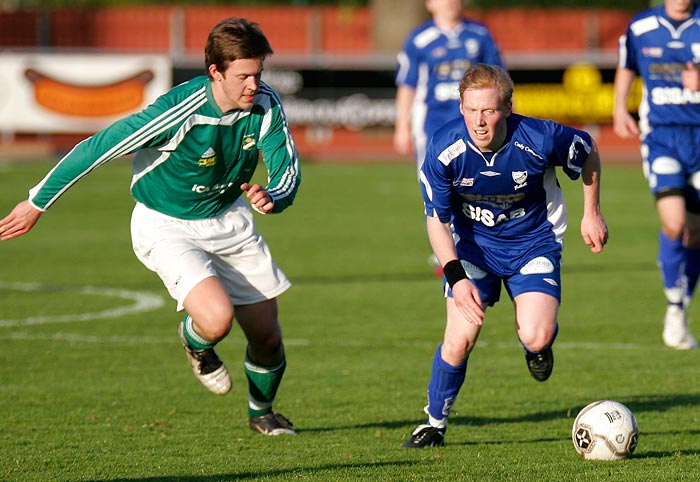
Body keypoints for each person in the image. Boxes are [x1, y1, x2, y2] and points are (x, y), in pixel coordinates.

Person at [0, 17, 301, 435]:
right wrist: (37, 202)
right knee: (216, 320)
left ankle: (261, 412)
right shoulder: (180, 111)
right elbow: (99, 147)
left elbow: (287, 168)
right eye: (244, 76)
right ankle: (196, 342)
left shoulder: (265, 104)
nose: (254, 84)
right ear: (215, 72)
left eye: (258, 73)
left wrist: (275, 195)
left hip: (229, 219)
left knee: (267, 334)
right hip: (166, 223)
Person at [403, 64, 608, 448]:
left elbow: (589, 151)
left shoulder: (540, 137)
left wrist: (591, 212)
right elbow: (436, 221)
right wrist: (455, 277)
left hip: (534, 244)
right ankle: (433, 424)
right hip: (472, 250)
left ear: (508, 108)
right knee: (459, 338)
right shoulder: (444, 148)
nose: (480, 121)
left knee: (536, 335)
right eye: (471, 110)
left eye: (490, 110)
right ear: (461, 107)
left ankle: (538, 348)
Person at [613, 0, 699, 350]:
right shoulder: (641, 26)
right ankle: (674, 309)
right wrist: (619, 107)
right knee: (675, 223)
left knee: (696, 233)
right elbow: (626, 66)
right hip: (662, 137)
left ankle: (681, 306)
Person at [394, 0, 504, 175]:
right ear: (429, 4)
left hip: (473, 120)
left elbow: (499, 79)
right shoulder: (419, 39)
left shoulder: (479, 34)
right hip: (432, 120)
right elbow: (407, 85)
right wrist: (402, 127)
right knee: (432, 178)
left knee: (476, 178)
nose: (450, 2)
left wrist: (508, 113)